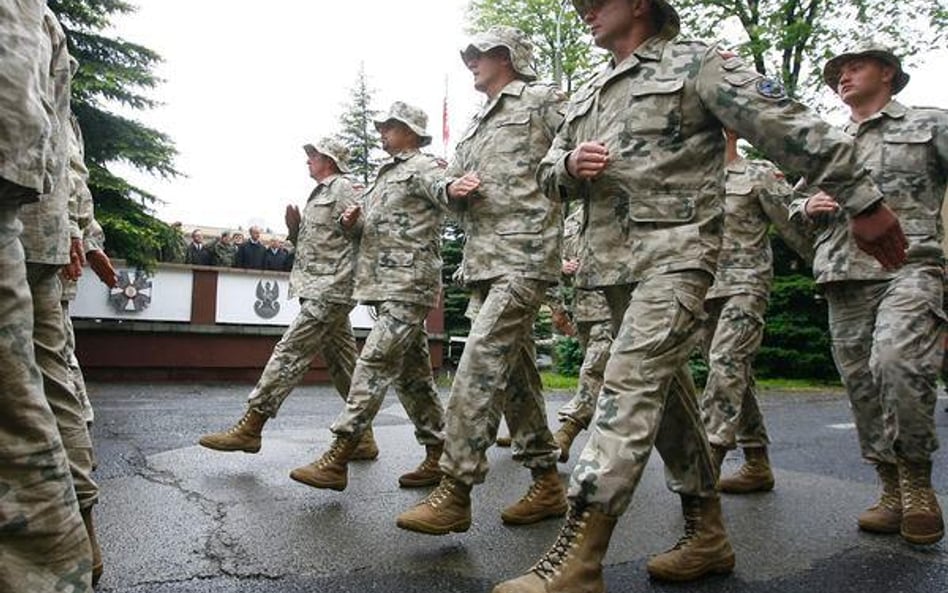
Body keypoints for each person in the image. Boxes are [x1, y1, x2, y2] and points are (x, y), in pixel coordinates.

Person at [491, 1, 908, 590]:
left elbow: (788, 126)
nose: (584, 10)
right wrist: (568, 164)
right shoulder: (590, 89)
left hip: (678, 260)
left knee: (628, 384)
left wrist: (861, 200)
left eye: (595, 1)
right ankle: (706, 533)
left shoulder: (698, 64)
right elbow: (544, 174)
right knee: (670, 406)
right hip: (611, 269)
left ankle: (577, 557)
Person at [395, 26, 568, 535]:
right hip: (484, 261)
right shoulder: (475, 124)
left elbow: (583, 149)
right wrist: (453, 188)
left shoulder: (541, 99)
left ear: (508, 56)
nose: (471, 61)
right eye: (469, 54)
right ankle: (546, 483)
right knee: (516, 375)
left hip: (526, 254)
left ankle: (455, 489)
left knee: (478, 364)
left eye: (481, 53)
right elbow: (450, 189)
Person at [792, 41, 945, 545]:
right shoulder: (828, 143)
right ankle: (891, 489)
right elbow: (796, 204)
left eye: (853, 67)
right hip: (842, 277)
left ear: (888, 72)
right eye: (836, 71)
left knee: (896, 361)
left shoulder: (930, 124)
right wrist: (808, 205)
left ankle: (918, 483)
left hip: (910, 266)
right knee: (862, 385)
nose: (842, 76)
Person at [288, 102, 448, 492]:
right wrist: (354, 224)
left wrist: (455, 184)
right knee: (413, 378)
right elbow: (369, 229)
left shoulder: (427, 167)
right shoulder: (383, 177)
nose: (382, 132)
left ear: (410, 131)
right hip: (386, 286)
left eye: (389, 127)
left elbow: (450, 196)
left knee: (373, 362)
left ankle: (339, 454)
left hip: (410, 283)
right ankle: (439, 454)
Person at [198, 139, 379, 460]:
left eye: (313, 156)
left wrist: (355, 223)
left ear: (329, 159)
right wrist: (295, 230)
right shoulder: (321, 193)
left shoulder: (344, 188)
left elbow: (365, 229)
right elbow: (320, 240)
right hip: (317, 287)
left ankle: (251, 427)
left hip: (332, 288)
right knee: (344, 367)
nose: (307, 161)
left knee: (290, 351)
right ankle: (362, 437)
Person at [0, 4, 93, 592]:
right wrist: (78, 230)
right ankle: (81, 535)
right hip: (39, 224)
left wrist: (79, 231)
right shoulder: (46, 20)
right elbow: (65, 158)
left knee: (24, 396)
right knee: (39, 384)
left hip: (30, 223)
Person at [697, 129, 813, 494]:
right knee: (734, 375)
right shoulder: (692, 180)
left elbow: (796, 226)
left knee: (725, 363)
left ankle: (706, 461)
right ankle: (757, 462)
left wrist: (824, 270)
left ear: (731, 130)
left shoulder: (758, 174)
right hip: (704, 289)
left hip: (746, 284)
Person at [549, 205, 613, 463]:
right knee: (612, 378)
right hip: (585, 310)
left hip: (616, 306)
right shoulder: (573, 219)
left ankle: (567, 431)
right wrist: (562, 267)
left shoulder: (621, 205)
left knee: (593, 369)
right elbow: (553, 259)